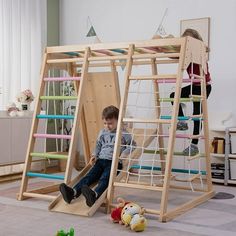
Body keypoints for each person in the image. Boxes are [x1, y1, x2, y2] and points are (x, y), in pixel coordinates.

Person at [59, 105, 136, 207]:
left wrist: (124, 154)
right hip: (100, 160)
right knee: (89, 177)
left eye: (110, 124)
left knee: (105, 179)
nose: (107, 126)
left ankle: (94, 195)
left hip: (114, 162)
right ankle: (73, 193)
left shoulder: (124, 134)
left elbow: (133, 145)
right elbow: (98, 145)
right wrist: (94, 155)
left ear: (118, 121)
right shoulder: (102, 133)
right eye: (105, 123)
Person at [170, 28, 212, 156]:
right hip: (195, 85)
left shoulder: (199, 51)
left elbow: (205, 49)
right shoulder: (186, 53)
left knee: (196, 115)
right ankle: (182, 121)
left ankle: (194, 145)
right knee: (174, 96)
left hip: (204, 86)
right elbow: (174, 55)